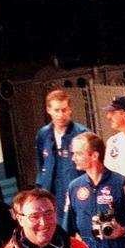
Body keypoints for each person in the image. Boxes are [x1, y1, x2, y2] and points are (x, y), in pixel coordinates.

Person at [35, 89, 88, 218]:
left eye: (64, 110)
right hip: (52, 196)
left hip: (77, 194)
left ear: (70, 110)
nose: (60, 115)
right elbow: (41, 164)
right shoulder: (43, 135)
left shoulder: (82, 134)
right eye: (56, 110)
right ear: (48, 110)